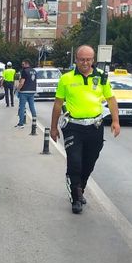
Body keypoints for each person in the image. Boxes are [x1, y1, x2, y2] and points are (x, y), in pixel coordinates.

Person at [50, 45, 120, 214]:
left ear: (93, 60)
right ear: (76, 60)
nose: (85, 63)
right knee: (75, 162)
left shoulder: (101, 77)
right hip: (73, 127)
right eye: (82, 59)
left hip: (95, 127)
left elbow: (111, 100)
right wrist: (53, 128)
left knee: (89, 163)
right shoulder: (66, 79)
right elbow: (58, 104)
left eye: (88, 59)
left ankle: (80, 188)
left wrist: (116, 121)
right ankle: (75, 197)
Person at [15, 59, 37, 128]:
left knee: (22, 107)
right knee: (32, 107)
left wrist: (18, 89)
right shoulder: (34, 71)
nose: (22, 65)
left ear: (27, 64)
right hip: (32, 91)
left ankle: (21, 123)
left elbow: (22, 82)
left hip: (24, 91)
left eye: (23, 64)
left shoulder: (24, 71)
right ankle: (34, 122)